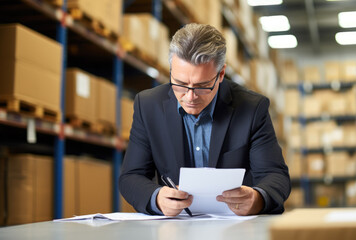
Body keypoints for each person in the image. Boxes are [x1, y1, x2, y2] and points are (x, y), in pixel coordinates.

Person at [119, 23, 291, 216]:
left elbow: (276, 176)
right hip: (175, 228)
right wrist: (156, 198)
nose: (190, 97)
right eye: (181, 84)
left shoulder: (252, 108)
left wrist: (257, 198)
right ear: (171, 70)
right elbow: (131, 176)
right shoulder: (148, 105)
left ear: (221, 74)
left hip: (235, 228)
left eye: (202, 86)